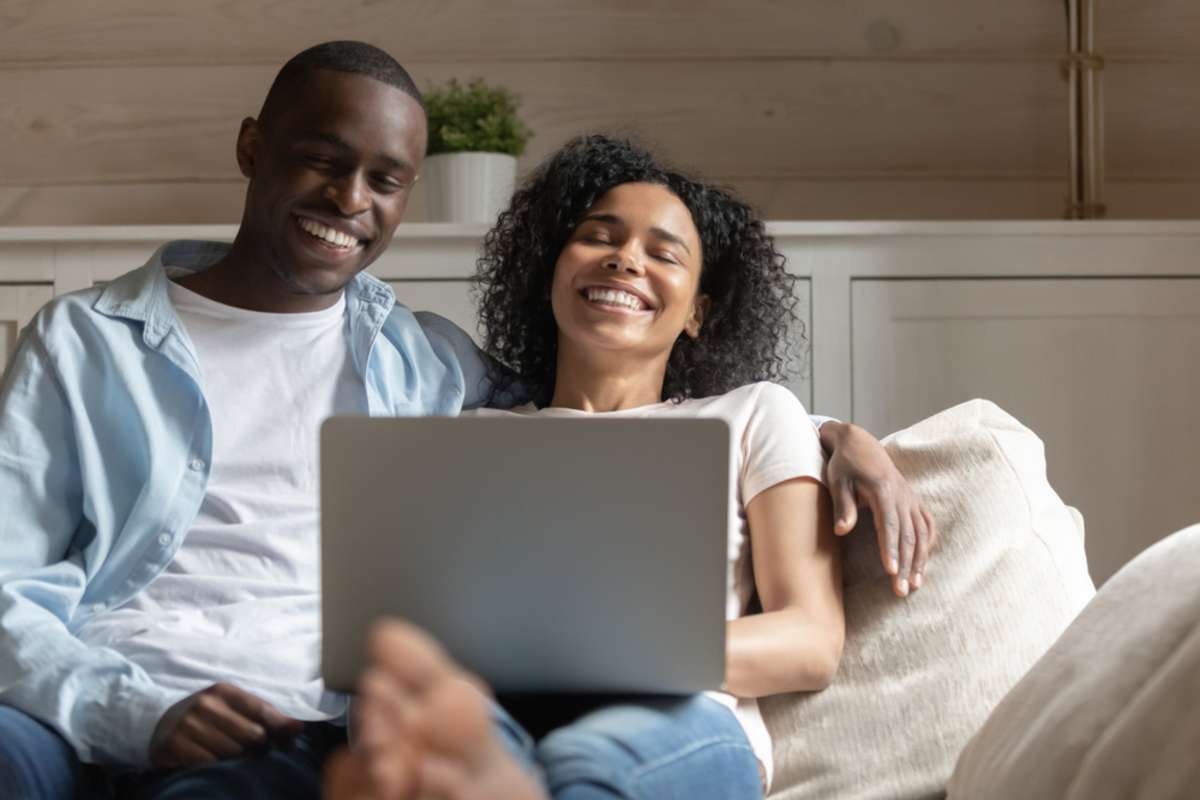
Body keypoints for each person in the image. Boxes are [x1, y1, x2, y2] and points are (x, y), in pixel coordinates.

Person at [0, 41, 931, 800]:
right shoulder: (465, 404)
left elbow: (782, 584)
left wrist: (840, 436)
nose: (348, 200)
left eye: (384, 179)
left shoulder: (437, 364)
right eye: (598, 234)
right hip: (149, 693)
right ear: (254, 147)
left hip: (388, 726)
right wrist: (130, 712)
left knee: (536, 764)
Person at [326, 134, 843, 800]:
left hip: (678, 722)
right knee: (419, 742)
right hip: (503, 711)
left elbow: (811, 641)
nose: (626, 261)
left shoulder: (755, 415)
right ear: (551, 273)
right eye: (600, 237)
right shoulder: (467, 436)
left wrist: (606, 654)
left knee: (584, 764)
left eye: (663, 253)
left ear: (697, 313)